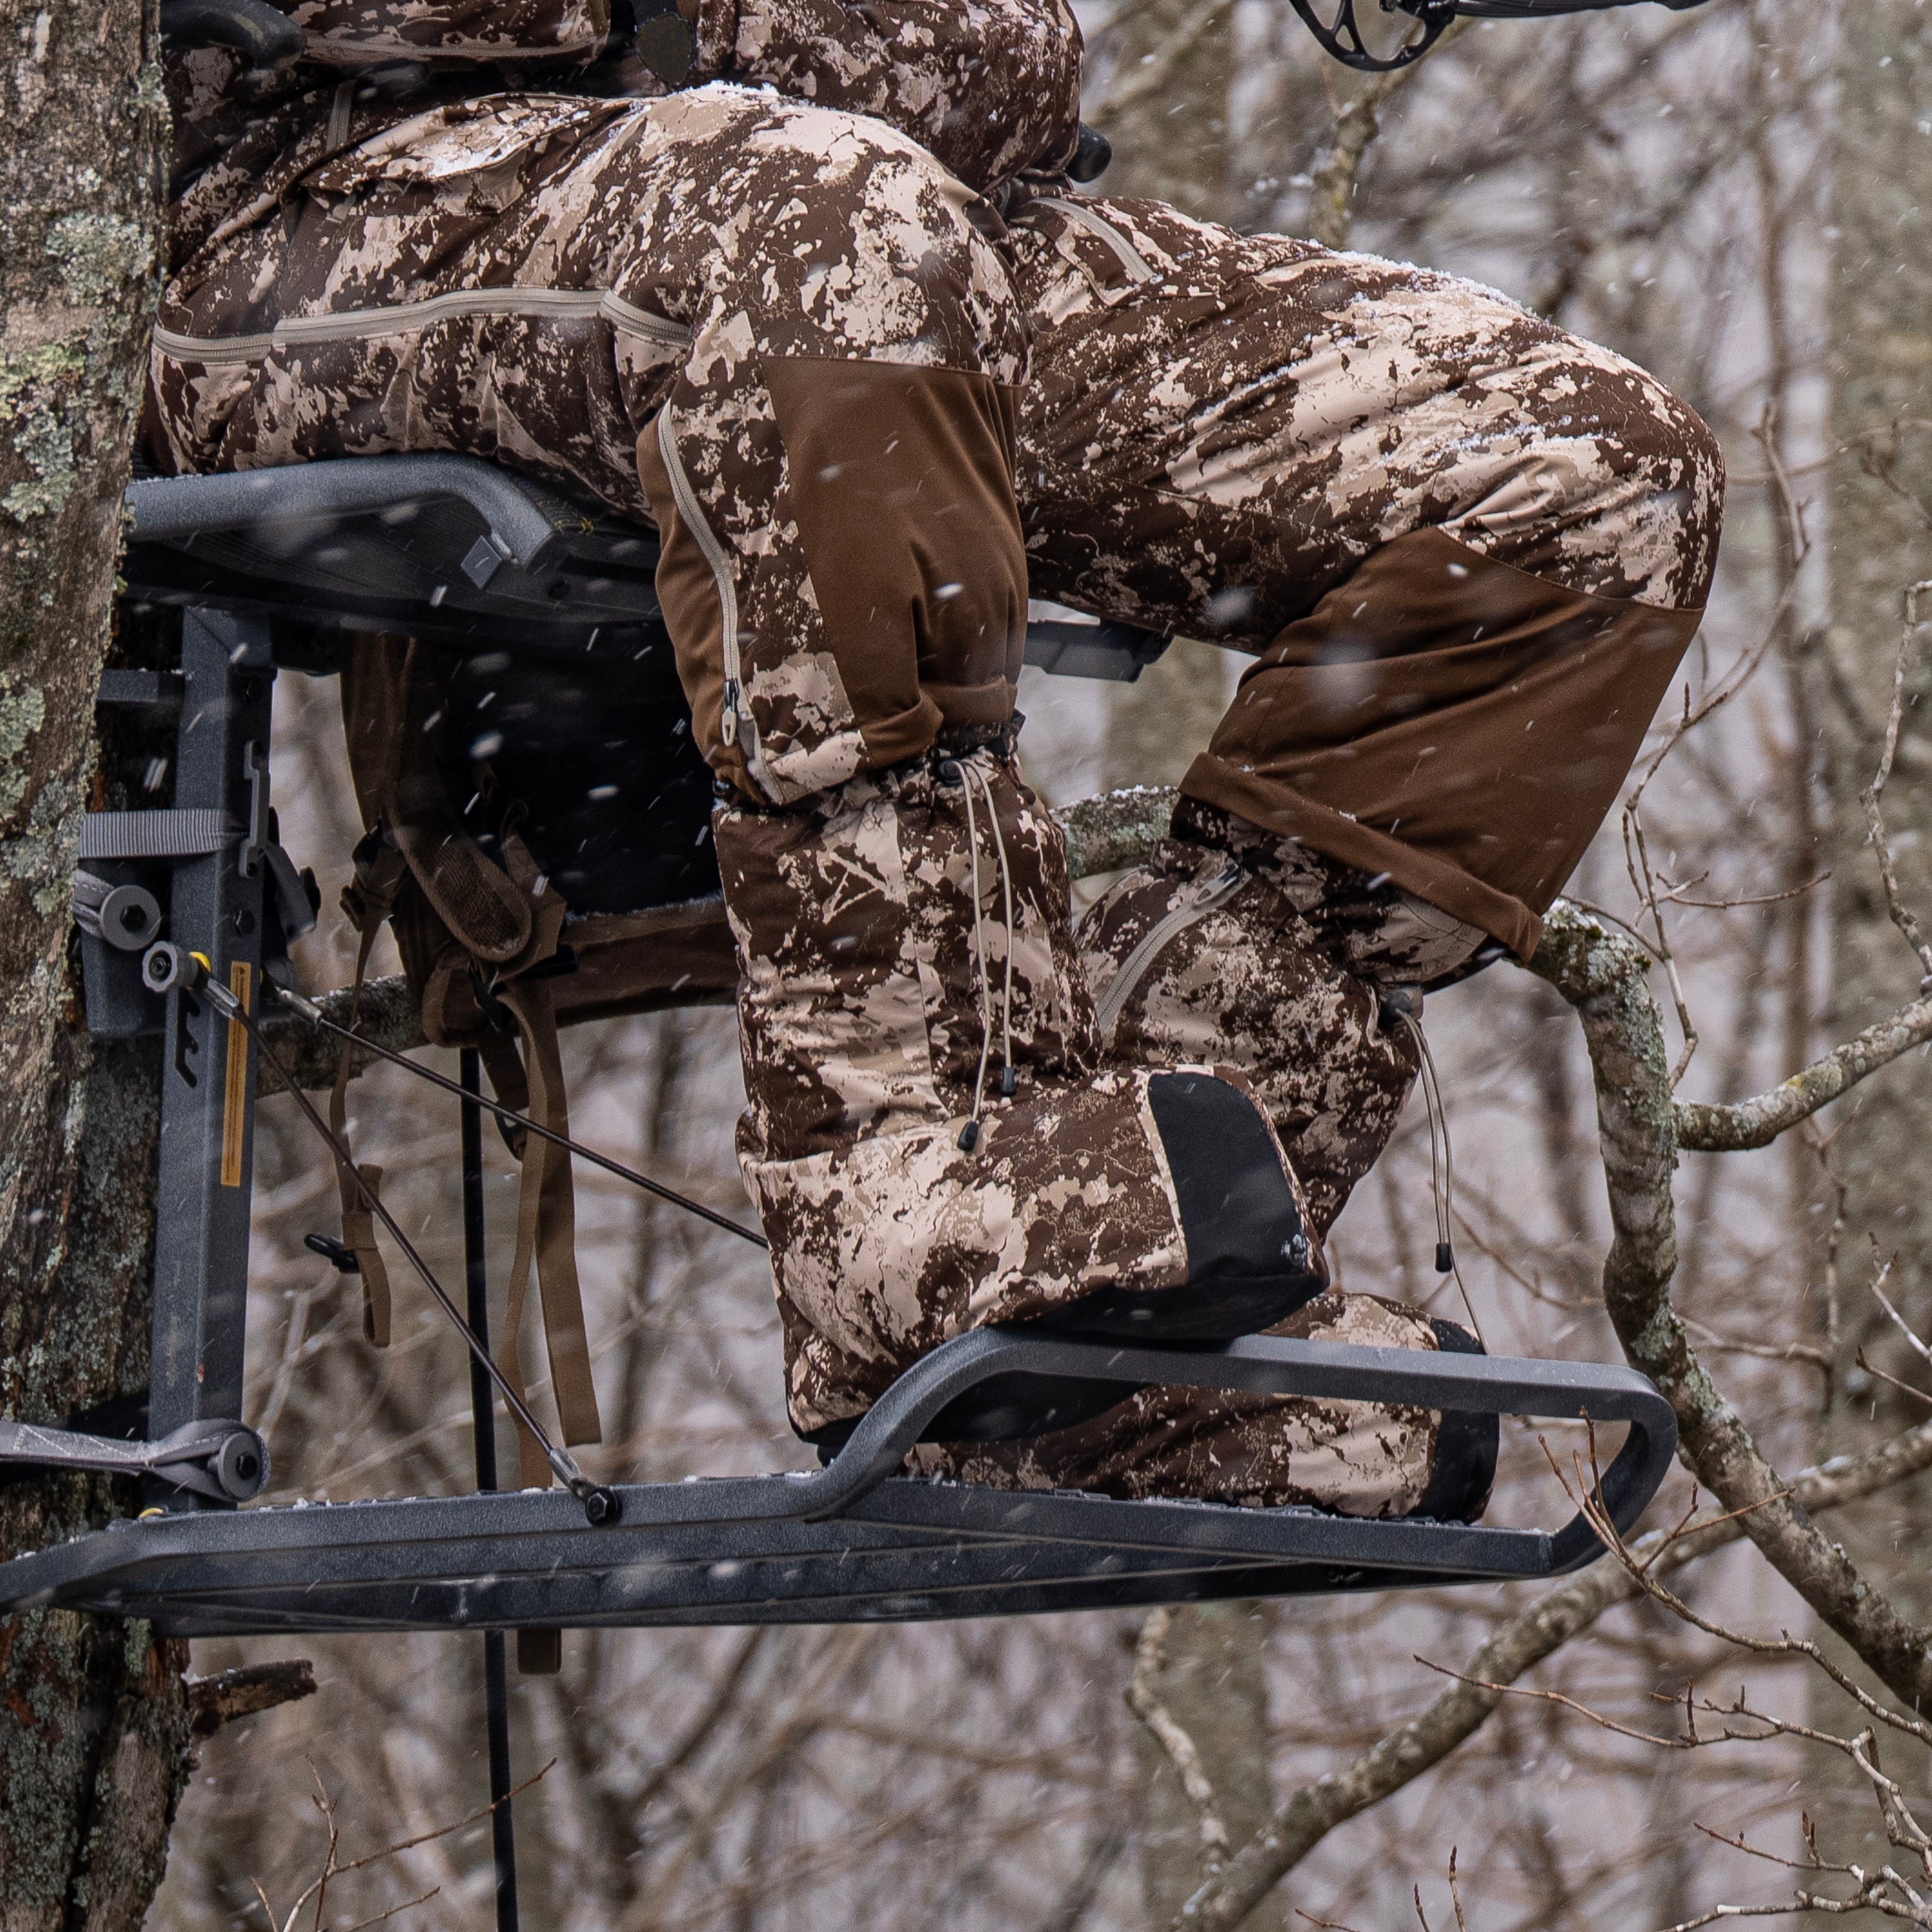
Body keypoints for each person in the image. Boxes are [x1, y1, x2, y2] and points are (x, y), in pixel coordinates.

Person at [145, 0, 1721, 1522]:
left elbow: (946, 71)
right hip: (320, 204)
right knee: (839, 228)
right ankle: (904, 1206)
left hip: (880, 208)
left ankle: (1098, 1340)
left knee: (1584, 479)